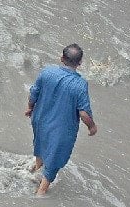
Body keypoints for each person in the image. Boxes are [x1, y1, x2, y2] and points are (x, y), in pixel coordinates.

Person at [25, 44, 98, 196]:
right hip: (60, 130)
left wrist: (30, 108)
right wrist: (92, 127)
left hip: (40, 120)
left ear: (62, 58)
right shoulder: (80, 84)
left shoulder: (47, 72)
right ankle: (40, 193)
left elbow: (34, 92)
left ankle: (36, 168)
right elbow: (84, 114)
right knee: (54, 160)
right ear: (80, 63)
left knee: (40, 145)